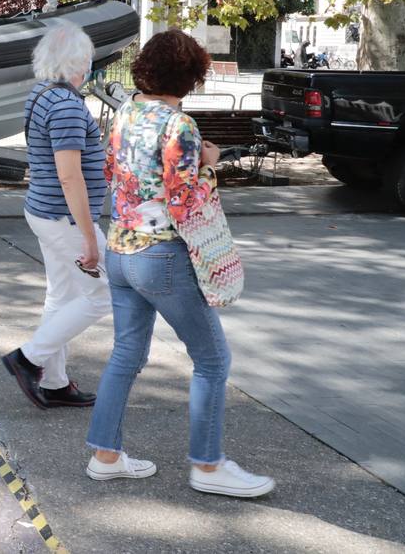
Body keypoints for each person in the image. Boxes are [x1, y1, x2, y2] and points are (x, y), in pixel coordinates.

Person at [84, 29, 274, 498]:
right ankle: (208, 467)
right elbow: (183, 198)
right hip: (161, 255)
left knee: (127, 353)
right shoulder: (178, 126)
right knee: (212, 359)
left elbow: (112, 174)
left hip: (121, 248)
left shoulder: (125, 113)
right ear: (189, 77)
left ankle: (105, 455)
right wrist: (208, 163)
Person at [1, 23, 110, 409]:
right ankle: (28, 359)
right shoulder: (65, 105)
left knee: (62, 296)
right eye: (89, 62)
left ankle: (56, 382)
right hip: (63, 217)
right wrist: (89, 238)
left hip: (44, 210)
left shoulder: (42, 94)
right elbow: (69, 175)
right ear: (79, 62)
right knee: (102, 296)